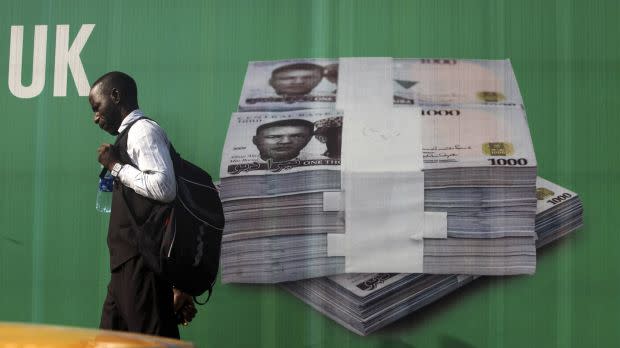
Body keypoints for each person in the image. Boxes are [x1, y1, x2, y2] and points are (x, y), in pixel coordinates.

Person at [89, 71, 195, 338]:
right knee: (110, 342)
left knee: (153, 342)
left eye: (97, 107)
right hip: (127, 266)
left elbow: (164, 188)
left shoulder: (143, 132)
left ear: (116, 96)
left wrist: (115, 167)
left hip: (141, 264)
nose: (95, 117)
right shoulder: (128, 137)